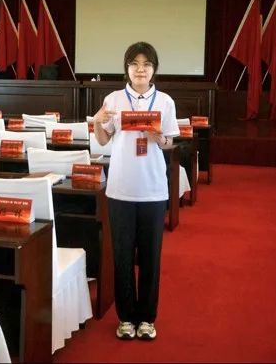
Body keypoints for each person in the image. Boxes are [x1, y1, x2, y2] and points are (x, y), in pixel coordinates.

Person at [93, 41, 178, 341]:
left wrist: (159, 137)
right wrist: (97, 122)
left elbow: (169, 142)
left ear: (154, 69)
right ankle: (126, 317)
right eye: (134, 64)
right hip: (120, 190)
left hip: (153, 190)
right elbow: (103, 140)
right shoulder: (113, 99)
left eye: (146, 64)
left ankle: (147, 319)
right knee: (122, 256)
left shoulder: (165, 101)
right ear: (126, 69)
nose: (140, 70)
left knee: (151, 257)